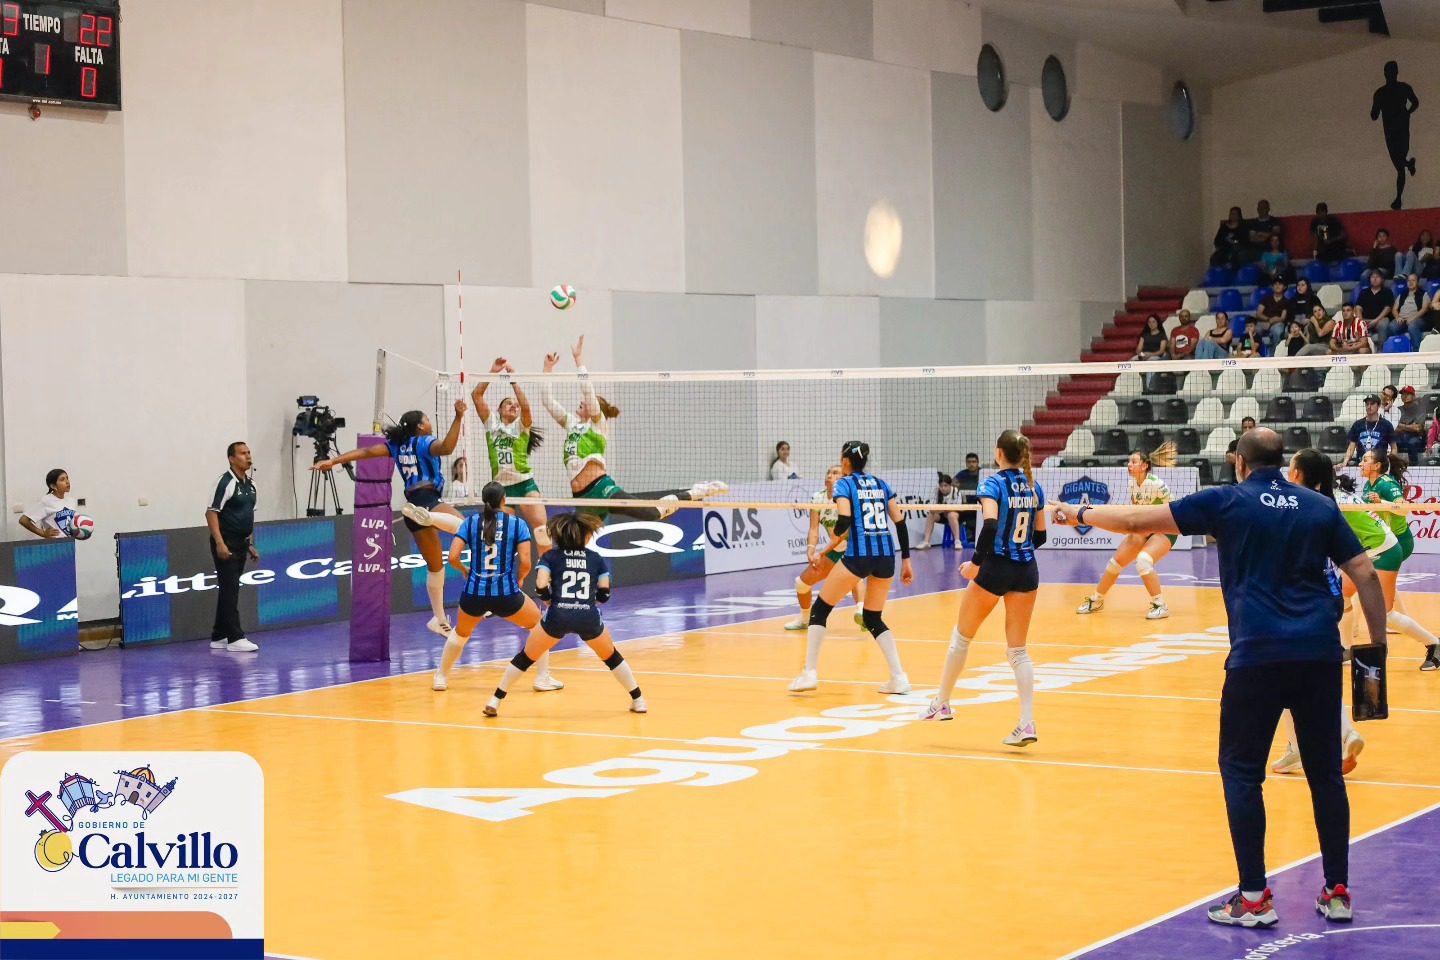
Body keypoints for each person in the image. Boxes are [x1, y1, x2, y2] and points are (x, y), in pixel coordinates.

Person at [1050, 428, 1387, 930]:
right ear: (1282, 462)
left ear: (1240, 464)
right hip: (1318, 655)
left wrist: (1077, 513)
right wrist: (1375, 651)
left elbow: (1137, 521)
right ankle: (1337, 891)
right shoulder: (1319, 506)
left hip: (1257, 657)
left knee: (1243, 774)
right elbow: (1364, 573)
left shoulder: (1227, 501)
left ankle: (1254, 898)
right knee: (1326, 776)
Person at [919, 430, 1046, 747]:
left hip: (996, 567)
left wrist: (976, 565)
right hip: (1027, 570)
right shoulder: (1034, 486)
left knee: (961, 637)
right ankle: (1027, 722)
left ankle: (942, 703)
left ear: (999, 453)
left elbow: (989, 526)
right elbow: (1041, 537)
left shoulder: (993, 484)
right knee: (1018, 651)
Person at [1268, 455, 1387, 778]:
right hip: (1326, 602)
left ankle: (1336, 736)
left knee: (1283, 677)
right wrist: (1378, 640)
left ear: (1297, 473)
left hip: (1296, 605)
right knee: (1307, 680)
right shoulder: (1329, 508)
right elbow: (1361, 569)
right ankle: (1307, 743)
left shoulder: (1295, 509)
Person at [315, 401, 466, 638]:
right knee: (468, 528)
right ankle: (430, 517)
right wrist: (458, 417)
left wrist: (333, 461)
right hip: (427, 499)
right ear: (420, 427)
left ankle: (438, 619)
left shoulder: (397, 445)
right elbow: (447, 448)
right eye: (427, 419)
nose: (430, 422)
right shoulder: (424, 442)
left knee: (436, 567)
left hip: (412, 505)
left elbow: (366, 453)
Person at [541, 336, 726, 520]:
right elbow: (547, 401)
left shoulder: (598, 425)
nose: (582, 402)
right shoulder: (571, 425)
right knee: (579, 539)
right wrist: (547, 368)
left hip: (602, 489)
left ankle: (695, 492)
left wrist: (578, 360)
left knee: (651, 513)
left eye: (587, 402)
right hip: (581, 498)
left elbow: (588, 392)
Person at [483, 512, 647, 717]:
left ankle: (495, 700)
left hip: (557, 616)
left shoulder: (550, 557)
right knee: (612, 657)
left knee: (525, 658)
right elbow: (605, 594)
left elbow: (540, 585)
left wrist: (550, 600)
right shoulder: (595, 559)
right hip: (587, 617)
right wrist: (587, 603)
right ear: (586, 537)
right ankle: (638, 699)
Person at [402, 485, 564, 691]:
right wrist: (521, 579)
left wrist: (464, 570)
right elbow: (525, 562)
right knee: (539, 626)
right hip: (506, 594)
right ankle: (542, 678)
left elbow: (452, 557)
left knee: (460, 634)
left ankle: (440, 678)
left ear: (483, 500)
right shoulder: (517, 524)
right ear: (504, 500)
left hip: (474, 594)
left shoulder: (470, 523)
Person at [788, 441, 912, 695]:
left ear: (845, 461)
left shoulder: (844, 484)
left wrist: (836, 536)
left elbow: (844, 518)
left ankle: (809, 673)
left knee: (820, 610)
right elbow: (899, 522)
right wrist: (907, 560)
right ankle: (899, 677)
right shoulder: (881, 483)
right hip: (886, 555)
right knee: (873, 617)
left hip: (860, 554)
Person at [1076, 443, 1178, 620]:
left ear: (1144, 466)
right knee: (1115, 563)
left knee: (1143, 561)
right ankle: (1097, 600)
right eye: (1129, 461)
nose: (1129, 465)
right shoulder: (1132, 485)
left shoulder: (1157, 485)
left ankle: (1161, 605)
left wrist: (1148, 527)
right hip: (1146, 527)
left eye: (1134, 462)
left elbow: (1173, 512)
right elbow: (1137, 511)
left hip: (1166, 528)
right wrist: (1132, 527)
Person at [1360, 451, 1440, 671]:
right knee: (1375, 588)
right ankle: (1394, 621)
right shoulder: (1368, 484)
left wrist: (1383, 502)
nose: (1361, 463)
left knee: (1369, 586)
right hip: (1382, 543)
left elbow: (1403, 509)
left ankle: (1430, 641)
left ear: (1377, 465)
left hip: (1397, 543)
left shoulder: (1387, 484)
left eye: (1365, 460)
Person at [473, 358, 553, 553]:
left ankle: (546, 568)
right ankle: (506, 570)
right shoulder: (491, 424)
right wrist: (493, 372)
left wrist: (514, 381)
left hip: (525, 484)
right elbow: (476, 395)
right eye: (508, 403)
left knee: (542, 530)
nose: (513, 406)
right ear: (499, 410)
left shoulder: (521, 426)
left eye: (515, 405)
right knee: (504, 538)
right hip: (501, 489)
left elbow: (526, 407)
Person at [784, 464, 866, 632]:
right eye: (828, 472)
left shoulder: (848, 498)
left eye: (835, 473)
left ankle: (863, 614)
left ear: (843, 479)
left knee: (853, 576)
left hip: (853, 546)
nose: (829, 475)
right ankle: (805, 620)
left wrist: (822, 553)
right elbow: (814, 528)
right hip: (834, 551)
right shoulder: (818, 498)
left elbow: (842, 534)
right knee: (801, 584)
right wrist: (810, 550)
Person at [206, 442, 260, 653]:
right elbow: (212, 512)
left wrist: (250, 543)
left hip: (241, 543)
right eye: (243, 453)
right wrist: (220, 543)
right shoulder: (225, 482)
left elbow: (248, 515)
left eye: (249, 452)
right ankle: (235, 637)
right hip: (226, 542)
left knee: (230, 587)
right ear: (231, 458)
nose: (248, 456)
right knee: (230, 589)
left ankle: (219, 635)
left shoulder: (252, 485)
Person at [1372, 60, 1420, 210]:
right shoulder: (1390, 91)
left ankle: (1399, 198)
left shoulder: (1383, 92)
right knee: (1399, 164)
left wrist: (1407, 113)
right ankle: (1408, 165)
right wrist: (1407, 113)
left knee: (1399, 165)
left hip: (1397, 130)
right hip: (1395, 131)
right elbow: (1415, 103)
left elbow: (1374, 115)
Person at [20, 469, 74, 539]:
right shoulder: (46, 501)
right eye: (62, 479)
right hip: (54, 544)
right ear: (53, 486)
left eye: (67, 478)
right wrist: (43, 533)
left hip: (70, 542)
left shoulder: (71, 501)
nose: (67, 482)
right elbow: (23, 520)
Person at [1343, 395, 1395, 466]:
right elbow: (1351, 447)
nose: (1369, 406)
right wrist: (1345, 462)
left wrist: (1391, 463)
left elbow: (1394, 448)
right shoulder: (1358, 424)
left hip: (1380, 465)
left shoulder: (1386, 425)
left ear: (1378, 406)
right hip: (1361, 465)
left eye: (1372, 404)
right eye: (1367, 404)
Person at [917, 473, 962, 551]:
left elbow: (958, 507)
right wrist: (941, 509)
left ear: (950, 485)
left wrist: (944, 509)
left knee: (951, 515)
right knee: (931, 515)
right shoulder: (936, 491)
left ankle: (957, 541)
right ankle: (926, 541)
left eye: (945, 486)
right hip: (942, 514)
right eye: (941, 486)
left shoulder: (956, 491)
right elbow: (932, 508)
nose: (943, 488)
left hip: (955, 515)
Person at [1356, 271, 1396, 340]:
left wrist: (1376, 320)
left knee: (1383, 324)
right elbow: (1358, 307)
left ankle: (1381, 346)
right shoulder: (1364, 292)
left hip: (1380, 319)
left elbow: (1388, 308)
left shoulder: (1387, 291)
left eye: (1377, 277)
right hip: (1366, 319)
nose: (1374, 279)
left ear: (1382, 279)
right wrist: (1360, 321)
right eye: (1372, 277)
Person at [1255, 279, 1294, 348]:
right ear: (1272, 287)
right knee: (1251, 330)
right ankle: (1252, 352)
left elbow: (1282, 318)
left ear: (1284, 287)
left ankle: (1275, 353)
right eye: (1275, 284)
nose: (1277, 286)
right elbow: (1258, 314)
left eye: (1280, 284)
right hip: (1264, 322)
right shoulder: (1266, 299)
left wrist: (1270, 322)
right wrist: (1268, 319)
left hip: (1278, 323)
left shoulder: (1286, 301)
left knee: (1278, 331)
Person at [1391, 274, 1427, 348]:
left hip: (1417, 319)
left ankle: (1417, 350)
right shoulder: (1402, 294)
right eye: (1408, 280)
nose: (1410, 282)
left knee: (1412, 326)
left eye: (1413, 280)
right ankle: (1398, 348)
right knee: (1392, 326)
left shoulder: (1423, 294)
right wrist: (1397, 317)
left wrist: (1413, 318)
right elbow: (1394, 309)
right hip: (1402, 319)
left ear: (1417, 282)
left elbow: (1424, 309)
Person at [1223, 417, 1258, 485]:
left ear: (1254, 428)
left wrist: (1238, 459)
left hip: (1255, 478)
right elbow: (1229, 457)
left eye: (1250, 427)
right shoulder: (1234, 443)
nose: (1247, 429)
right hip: (1237, 479)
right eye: (1245, 427)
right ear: (1242, 428)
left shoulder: (1260, 443)